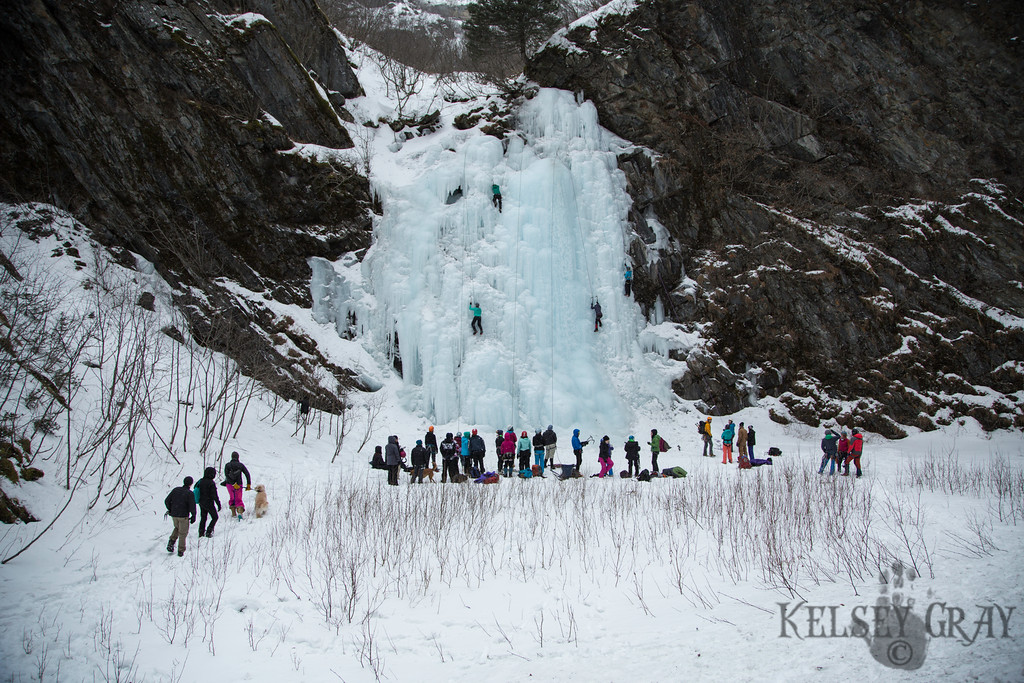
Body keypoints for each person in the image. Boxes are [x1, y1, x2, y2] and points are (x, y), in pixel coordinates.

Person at [165, 476, 196, 557]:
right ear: (191, 484)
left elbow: (167, 500)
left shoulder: (176, 490)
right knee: (183, 533)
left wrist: (170, 509)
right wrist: (193, 515)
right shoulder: (190, 493)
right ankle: (180, 551)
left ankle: (171, 542)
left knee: (177, 528)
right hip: (183, 516)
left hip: (174, 514)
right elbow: (192, 506)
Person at [223, 451, 251, 520]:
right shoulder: (240, 465)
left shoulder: (227, 465)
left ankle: (233, 512)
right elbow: (247, 474)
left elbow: (226, 475)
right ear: (238, 457)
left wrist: (233, 483)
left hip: (229, 484)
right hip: (239, 484)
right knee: (238, 498)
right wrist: (248, 484)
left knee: (232, 497)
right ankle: (239, 512)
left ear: (231, 457)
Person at [196, 466, 221, 539]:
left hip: (201, 502)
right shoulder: (211, 483)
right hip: (209, 502)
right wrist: (218, 503)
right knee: (215, 517)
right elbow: (214, 495)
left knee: (203, 518)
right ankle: (209, 531)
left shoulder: (201, 481)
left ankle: (201, 532)